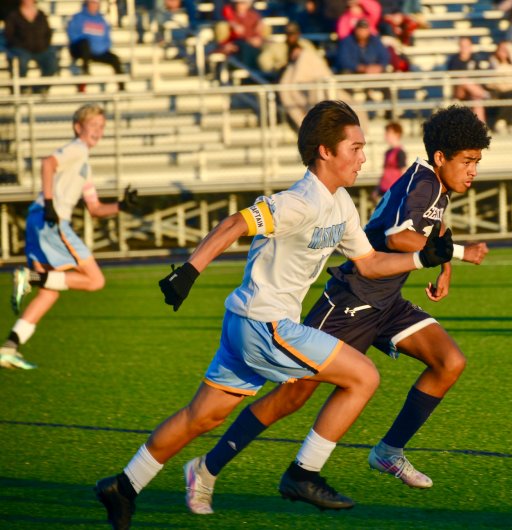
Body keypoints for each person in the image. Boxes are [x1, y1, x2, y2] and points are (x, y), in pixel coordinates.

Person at [93, 100, 455, 527]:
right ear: (325, 151)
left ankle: (123, 486)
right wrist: (189, 271)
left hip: (246, 323)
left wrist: (422, 258)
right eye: (355, 148)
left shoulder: (341, 204)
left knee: (202, 416)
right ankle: (303, 474)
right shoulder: (297, 201)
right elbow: (235, 223)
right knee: (363, 376)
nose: (363, 157)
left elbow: (370, 263)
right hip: (264, 323)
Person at [177, 105, 491, 516]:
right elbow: (399, 237)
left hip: (387, 302)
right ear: (440, 157)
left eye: (476, 162)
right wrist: (459, 254)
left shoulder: (437, 186)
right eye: (467, 161)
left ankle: (388, 451)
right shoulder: (422, 182)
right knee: (292, 396)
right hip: (351, 301)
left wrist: (444, 265)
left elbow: (435, 227)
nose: (473, 171)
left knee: (449, 361)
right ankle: (207, 468)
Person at [1, 104, 138, 371]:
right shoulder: (77, 148)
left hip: (39, 219)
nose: (98, 130)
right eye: (93, 125)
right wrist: (50, 203)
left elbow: (95, 208)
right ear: (78, 127)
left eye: (102, 126)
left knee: (49, 293)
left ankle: (9, 347)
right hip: (52, 219)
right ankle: (30, 277)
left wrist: (121, 206)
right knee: (95, 280)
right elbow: (47, 163)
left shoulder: (84, 163)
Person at [67, 0, 125, 92]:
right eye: (92, 2)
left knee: (115, 59)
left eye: (96, 3)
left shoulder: (101, 20)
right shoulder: (78, 17)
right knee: (84, 44)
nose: (94, 5)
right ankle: (84, 74)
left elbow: (107, 39)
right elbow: (72, 35)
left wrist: (99, 49)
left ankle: (122, 87)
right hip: (81, 50)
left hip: (98, 52)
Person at [4, 0, 59, 94]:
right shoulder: (14, 15)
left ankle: (41, 88)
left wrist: (44, 44)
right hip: (21, 49)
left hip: (41, 49)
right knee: (21, 61)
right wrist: (20, 45)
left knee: (52, 63)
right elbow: (9, 35)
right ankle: (22, 88)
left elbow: (48, 32)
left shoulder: (41, 14)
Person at [214, 0, 269, 71]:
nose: (239, 5)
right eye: (237, 3)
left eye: (243, 3)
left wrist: (257, 39)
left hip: (252, 45)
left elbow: (257, 34)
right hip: (238, 46)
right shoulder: (229, 14)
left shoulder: (253, 16)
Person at [446, 37, 490, 123]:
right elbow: (455, 78)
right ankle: (484, 94)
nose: (464, 48)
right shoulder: (454, 60)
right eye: (462, 46)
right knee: (463, 80)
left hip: (472, 92)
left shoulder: (475, 59)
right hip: (459, 92)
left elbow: (479, 77)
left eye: (466, 46)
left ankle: (481, 126)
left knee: (477, 101)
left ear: (470, 47)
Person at [373, 121, 407, 201]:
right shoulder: (387, 152)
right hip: (384, 189)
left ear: (397, 134)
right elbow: (385, 173)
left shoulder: (400, 152)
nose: (386, 136)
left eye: (388, 133)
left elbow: (403, 172)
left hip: (394, 191)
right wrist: (377, 189)